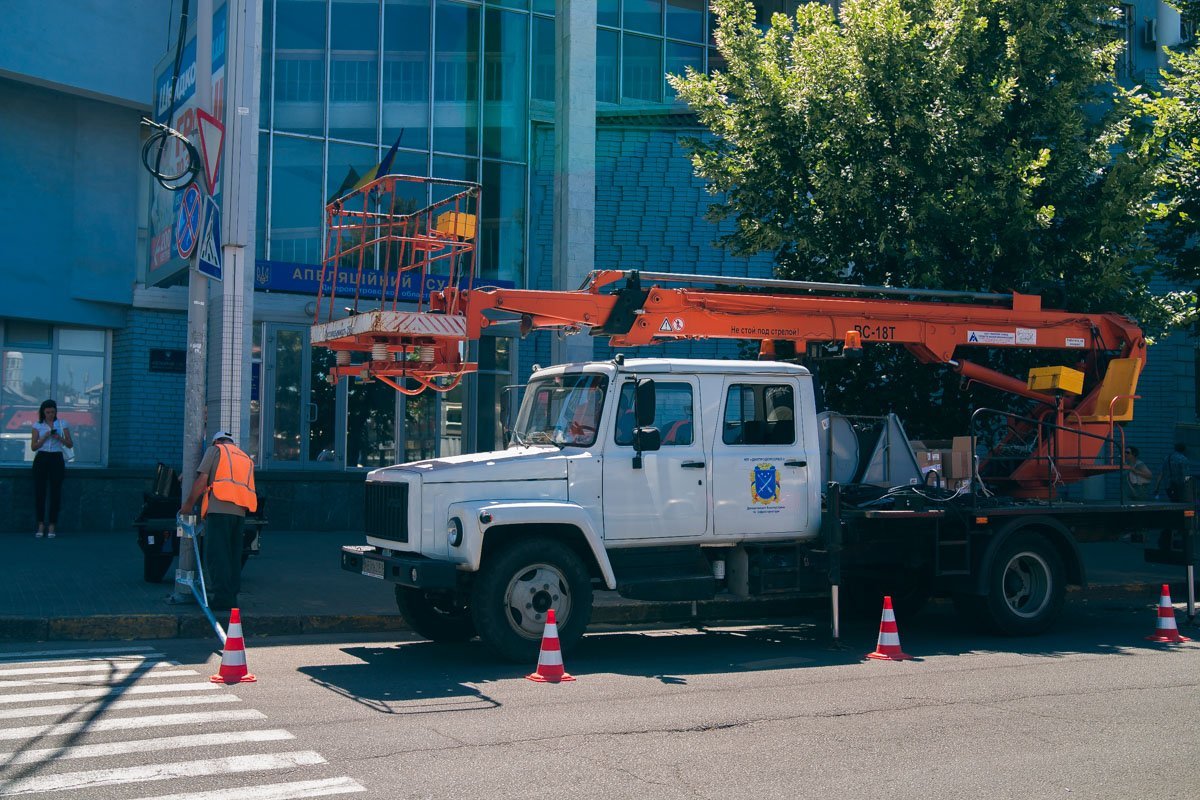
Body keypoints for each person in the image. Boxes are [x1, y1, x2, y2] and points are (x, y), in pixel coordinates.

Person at [179, 430, 258, 611]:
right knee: (233, 556)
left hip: (219, 509)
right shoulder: (245, 458)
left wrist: (188, 505)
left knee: (217, 555)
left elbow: (202, 480)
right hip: (240, 513)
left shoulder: (216, 450)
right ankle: (230, 596)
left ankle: (222, 598)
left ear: (216, 442)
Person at [30, 399, 73, 538]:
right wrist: (44, 437)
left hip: (56, 458)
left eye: (53, 412)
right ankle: (40, 524)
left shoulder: (62, 423)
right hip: (42, 457)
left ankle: (52, 525)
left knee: (56, 492)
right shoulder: (37, 425)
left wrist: (58, 437)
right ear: (43, 412)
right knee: (40, 492)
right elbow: (33, 447)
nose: (50, 415)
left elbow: (70, 444)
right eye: (48, 412)